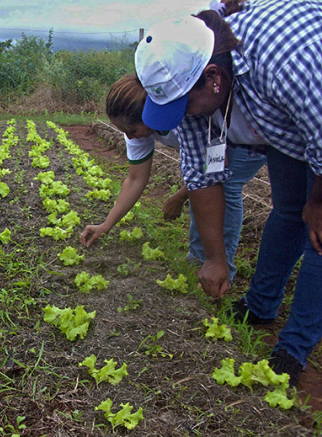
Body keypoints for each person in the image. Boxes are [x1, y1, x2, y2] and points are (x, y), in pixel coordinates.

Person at [134, 1, 322, 384]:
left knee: (320, 233)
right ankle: (259, 307)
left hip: (313, 110)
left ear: (213, 77)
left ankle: (294, 345)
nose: (181, 115)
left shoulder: (288, 63)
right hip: (286, 127)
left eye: (182, 105)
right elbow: (204, 179)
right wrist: (215, 258)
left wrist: (318, 201)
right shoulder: (190, 92)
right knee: (288, 212)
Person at [80, 74, 265, 283]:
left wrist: (179, 197)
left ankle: (220, 271)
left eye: (131, 130)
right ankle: (200, 259)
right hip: (210, 152)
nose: (129, 137)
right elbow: (135, 179)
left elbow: (211, 176)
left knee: (225, 188)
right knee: (200, 193)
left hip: (244, 138)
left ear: (149, 115)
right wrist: (106, 225)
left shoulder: (188, 117)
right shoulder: (137, 130)